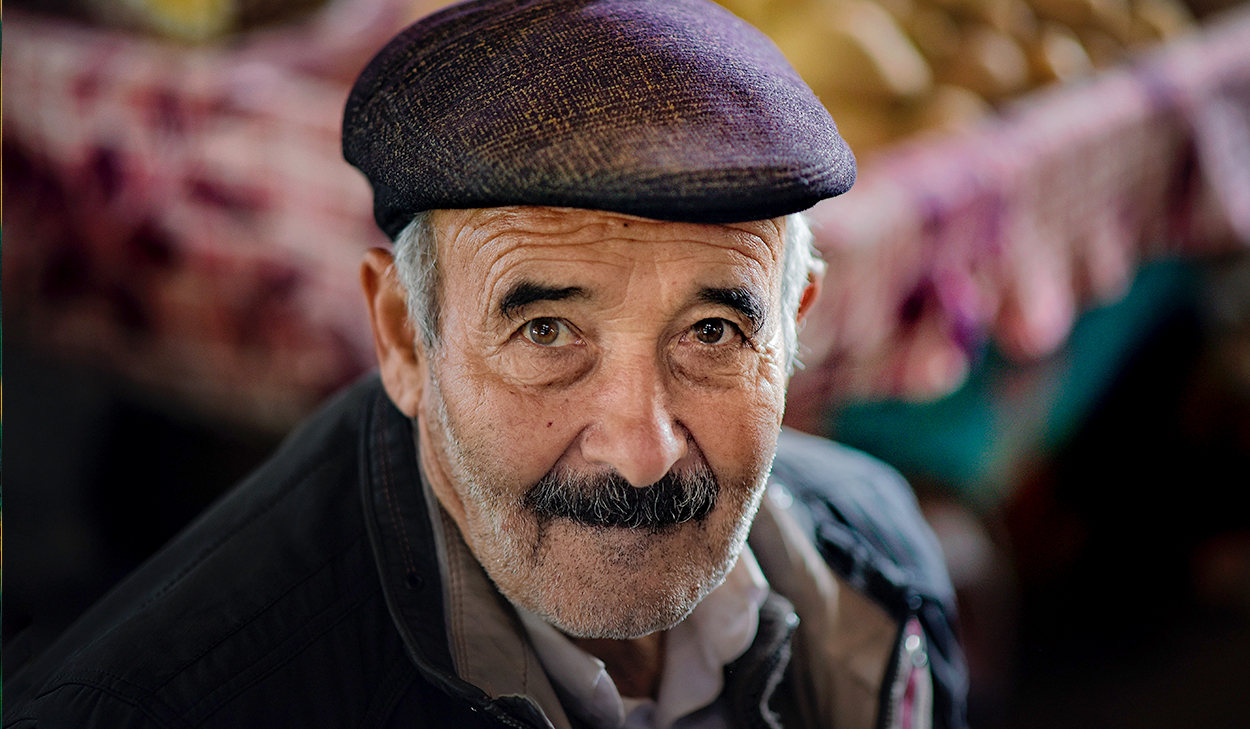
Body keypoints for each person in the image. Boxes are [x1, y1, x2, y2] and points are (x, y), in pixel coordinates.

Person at [3, 1, 968, 727]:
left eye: (711, 333)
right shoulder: (171, 703)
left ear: (792, 331)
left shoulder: (880, 571)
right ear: (403, 338)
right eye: (547, 332)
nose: (640, 450)